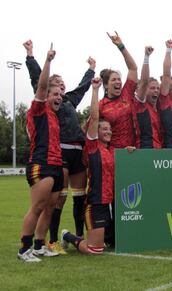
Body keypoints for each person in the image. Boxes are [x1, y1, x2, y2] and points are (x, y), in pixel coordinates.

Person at [23, 40, 95, 254]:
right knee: (48, 204)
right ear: (46, 91)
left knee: (71, 198)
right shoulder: (41, 107)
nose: (61, 90)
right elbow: (40, 81)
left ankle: (46, 243)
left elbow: (81, 89)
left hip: (70, 156)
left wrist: (91, 70)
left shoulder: (65, 104)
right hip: (49, 158)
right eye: (56, 87)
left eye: (63, 87)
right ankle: (42, 243)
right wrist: (33, 56)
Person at [61, 77, 126, 254]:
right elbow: (95, 117)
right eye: (104, 129)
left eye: (110, 129)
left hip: (111, 205)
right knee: (95, 250)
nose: (108, 132)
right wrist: (95, 90)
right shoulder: (92, 147)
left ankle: (98, 236)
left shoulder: (113, 150)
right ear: (95, 131)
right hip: (96, 204)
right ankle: (68, 236)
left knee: (109, 245)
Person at [18, 45, 62, 262]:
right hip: (40, 163)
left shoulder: (55, 116)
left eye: (60, 94)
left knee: (50, 208)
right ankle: (24, 250)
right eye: (55, 93)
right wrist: (47, 61)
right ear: (45, 95)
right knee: (37, 207)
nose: (59, 97)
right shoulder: (38, 109)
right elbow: (42, 85)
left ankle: (39, 245)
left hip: (56, 165)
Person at [99, 32, 138, 149]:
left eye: (119, 79)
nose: (118, 82)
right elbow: (92, 130)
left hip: (133, 151)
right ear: (106, 85)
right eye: (113, 80)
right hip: (113, 153)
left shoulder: (126, 94)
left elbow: (133, 68)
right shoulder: (101, 105)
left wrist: (121, 46)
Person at [134, 46, 163, 148]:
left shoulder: (158, 109)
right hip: (145, 151)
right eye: (152, 88)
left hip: (158, 153)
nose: (156, 90)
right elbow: (144, 82)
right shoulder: (141, 105)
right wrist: (146, 57)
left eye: (158, 88)